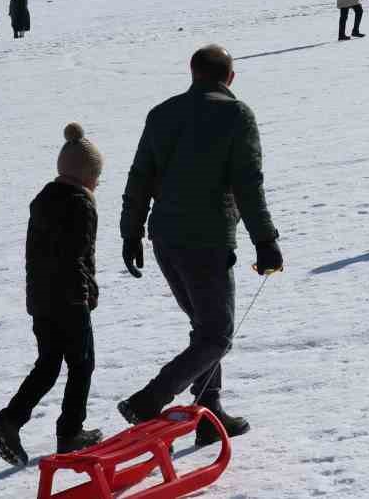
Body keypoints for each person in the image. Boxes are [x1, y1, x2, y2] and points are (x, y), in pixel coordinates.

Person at [117, 45, 282, 447]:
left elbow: (140, 176)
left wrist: (130, 230)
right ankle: (149, 399)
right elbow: (248, 182)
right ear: (230, 77)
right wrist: (266, 240)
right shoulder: (235, 114)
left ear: (193, 74)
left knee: (204, 328)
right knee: (217, 335)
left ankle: (210, 412)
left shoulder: (162, 114)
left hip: (164, 239)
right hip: (206, 240)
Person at [0, 123, 105, 465]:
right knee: (82, 364)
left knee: (49, 364)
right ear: (85, 175)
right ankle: (70, 432)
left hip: (41, 298)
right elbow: (78, 256)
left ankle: (10, 420)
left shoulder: (44, 198)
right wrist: (88, 294)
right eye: (97, 176)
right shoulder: (81, 203)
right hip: (69, 299)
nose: (97, 183)